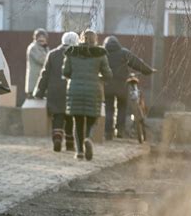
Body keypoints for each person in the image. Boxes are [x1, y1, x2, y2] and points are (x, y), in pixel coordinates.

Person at [63, 29, 113, 160]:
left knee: (77, 121)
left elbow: (65, 71)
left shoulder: (72, 52)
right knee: (92, 118)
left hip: (75, 89)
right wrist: (100, 78)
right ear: (95, 39)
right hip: (94, 89)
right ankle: (89, 138)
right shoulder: (100, 53)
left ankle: (79, 152)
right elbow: (108, 75)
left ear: (81, 39)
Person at [103, 36, 155, 139]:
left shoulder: (103, 53)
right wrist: (148, 70)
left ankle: (108, 132)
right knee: (122, 108)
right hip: (122, 87)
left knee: (109, 109)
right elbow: (137, 63)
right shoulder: (123, 53)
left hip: (107, 86)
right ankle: (120, 131)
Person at [34, 31, 79, 152]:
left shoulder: (52, 54)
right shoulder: (77, 55)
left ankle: (57, 138)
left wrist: (39, 91)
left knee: (57, 115)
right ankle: (70, 143)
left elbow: (45, 74)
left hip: (55, 91)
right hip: (71, 90)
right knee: (70, 117)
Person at [25, 28, 49, 98]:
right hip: (34, 81)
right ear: (35, 37)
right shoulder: (33, 47)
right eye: (39, 37)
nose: (41, 39)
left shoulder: (45, 48)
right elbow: (43, 60)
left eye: (43, 37)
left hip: (41, 81)